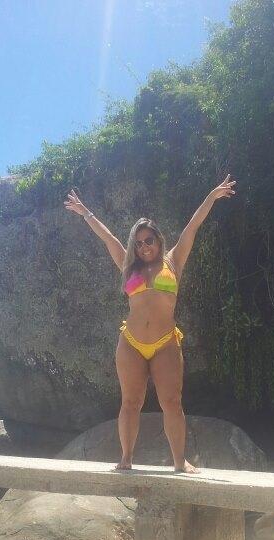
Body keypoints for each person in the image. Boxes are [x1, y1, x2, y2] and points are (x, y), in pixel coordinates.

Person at [64, 175, 236, 473]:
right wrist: (85, 212)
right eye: (139, 242)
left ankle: (180, 461)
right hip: (131, 342)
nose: (144, 246)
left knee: (172, 402)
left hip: (165, 342)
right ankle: (126, 458)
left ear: (158, 239)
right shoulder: (129, 266)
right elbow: (109, 239)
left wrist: (212, 196)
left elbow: (192, 226)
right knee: (130, 402)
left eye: (149, 240)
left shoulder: (174, 261)